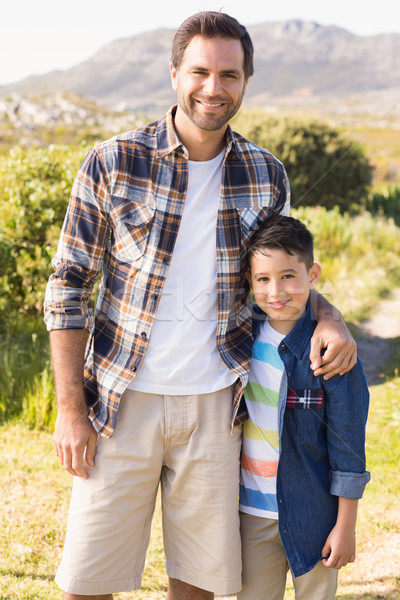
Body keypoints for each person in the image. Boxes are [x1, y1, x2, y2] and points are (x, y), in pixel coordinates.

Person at [44, 11, 357, 600]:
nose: (213, 88)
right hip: (119, 403)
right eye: (200, 72)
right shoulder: (112, 162)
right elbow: (67, 289)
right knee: (87, 583)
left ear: (246, 80)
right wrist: (69, 409)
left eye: (229, 75)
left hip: (218, 407)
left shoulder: (267, 175)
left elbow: (281, 280)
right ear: (173, 75)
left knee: (200, 588)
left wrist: (332, 317)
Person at [238, 214, 370, 600]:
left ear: (312, 275)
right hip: (251, 514)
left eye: (288, 276)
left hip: (314, 515)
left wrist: (346, 526)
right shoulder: (240, 341)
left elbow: (348, 448)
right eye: (262, 279)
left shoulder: (332, 354)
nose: (276, 291)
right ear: (250, 280)